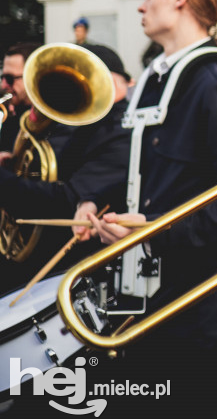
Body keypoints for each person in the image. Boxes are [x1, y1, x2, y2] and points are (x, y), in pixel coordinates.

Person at [80, 0, 217, 419]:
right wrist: (94, 202)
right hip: (138, 299)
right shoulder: (153, 77)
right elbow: (141, 169)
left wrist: (154, 234)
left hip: (193, 311)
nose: (142, 6)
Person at [0, 44, 132, 294]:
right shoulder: (83, 124)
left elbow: (66, 200)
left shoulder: (121, 132)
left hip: (70, 276)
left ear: (109, 82)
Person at [0, 42, 41, 153]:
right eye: (2, 77)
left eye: (9, 78)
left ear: (31, 75)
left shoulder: (52, 122)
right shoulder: (9, 115)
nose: (3, 85)